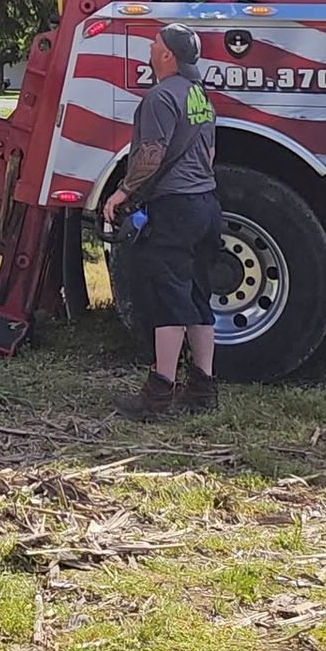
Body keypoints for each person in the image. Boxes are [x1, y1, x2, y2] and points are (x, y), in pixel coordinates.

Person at [102, 23, 221, 418]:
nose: (150, 48)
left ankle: (159, 395)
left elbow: (152, 154)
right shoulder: (199, 96)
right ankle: (203, 388)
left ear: (167, 54)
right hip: (206, 204)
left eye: (155, 43)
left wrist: (123, 193)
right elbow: (208, 156)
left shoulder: (159, 97)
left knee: (169, 299)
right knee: (200, 295)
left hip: (175, 209)